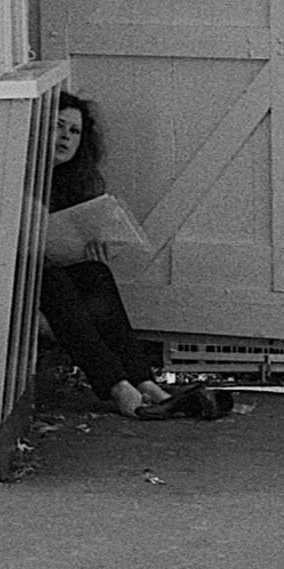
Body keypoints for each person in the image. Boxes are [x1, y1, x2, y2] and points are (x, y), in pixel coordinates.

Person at [43, 92, 178, 420]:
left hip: (52, 267)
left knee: (95, 273)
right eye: (58, 126)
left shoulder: (73, 182)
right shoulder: (19, 174)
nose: (65, 137)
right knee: (55, 283)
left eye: (74, 132)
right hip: (20, 273)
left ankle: (142, 380)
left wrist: (90, 247)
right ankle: (117, 386)